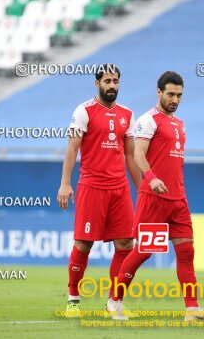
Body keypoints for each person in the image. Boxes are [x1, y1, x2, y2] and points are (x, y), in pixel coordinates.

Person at [108, 71, 204, 322]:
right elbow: (139, 155)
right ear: (159, 92)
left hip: (178, 199)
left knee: (186, 252)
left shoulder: (179, 124)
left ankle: (192, 310)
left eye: (179, 95)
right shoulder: (148, 120)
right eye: (170, 94)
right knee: (144, 251)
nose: (175, 99)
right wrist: (151, 178)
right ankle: (114, 301)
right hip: (154, 197)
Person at [57, 64, 141, 317]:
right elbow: (72, 148)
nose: (112, 85)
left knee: (126, 244)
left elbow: (130, 155)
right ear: (97, 83)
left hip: (119, 189)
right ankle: (73, 299)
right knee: (83, 244)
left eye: (115, 81)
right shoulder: (84, 111)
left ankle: (114, 303)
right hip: (92, 186)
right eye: (107, 81)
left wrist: (142, 189)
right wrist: (65, 182)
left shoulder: (127, 114)